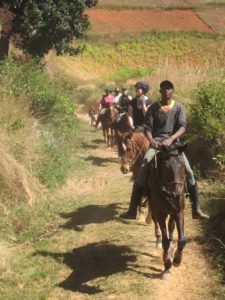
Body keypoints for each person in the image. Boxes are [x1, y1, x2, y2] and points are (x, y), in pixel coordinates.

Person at [121, 80, 209, 220]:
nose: (167, 91)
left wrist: (172, 138)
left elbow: (182, 126)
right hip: (156, 145)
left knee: (190, 173)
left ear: (173, 91)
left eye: (169, 88)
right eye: (164, 89)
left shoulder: (179, 107)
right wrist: (152, 141)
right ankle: (132, 209)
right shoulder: (153, 108)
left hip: (174, 145)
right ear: (160, 91)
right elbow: (148, 128)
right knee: (143, 169)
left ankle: (196, 209)